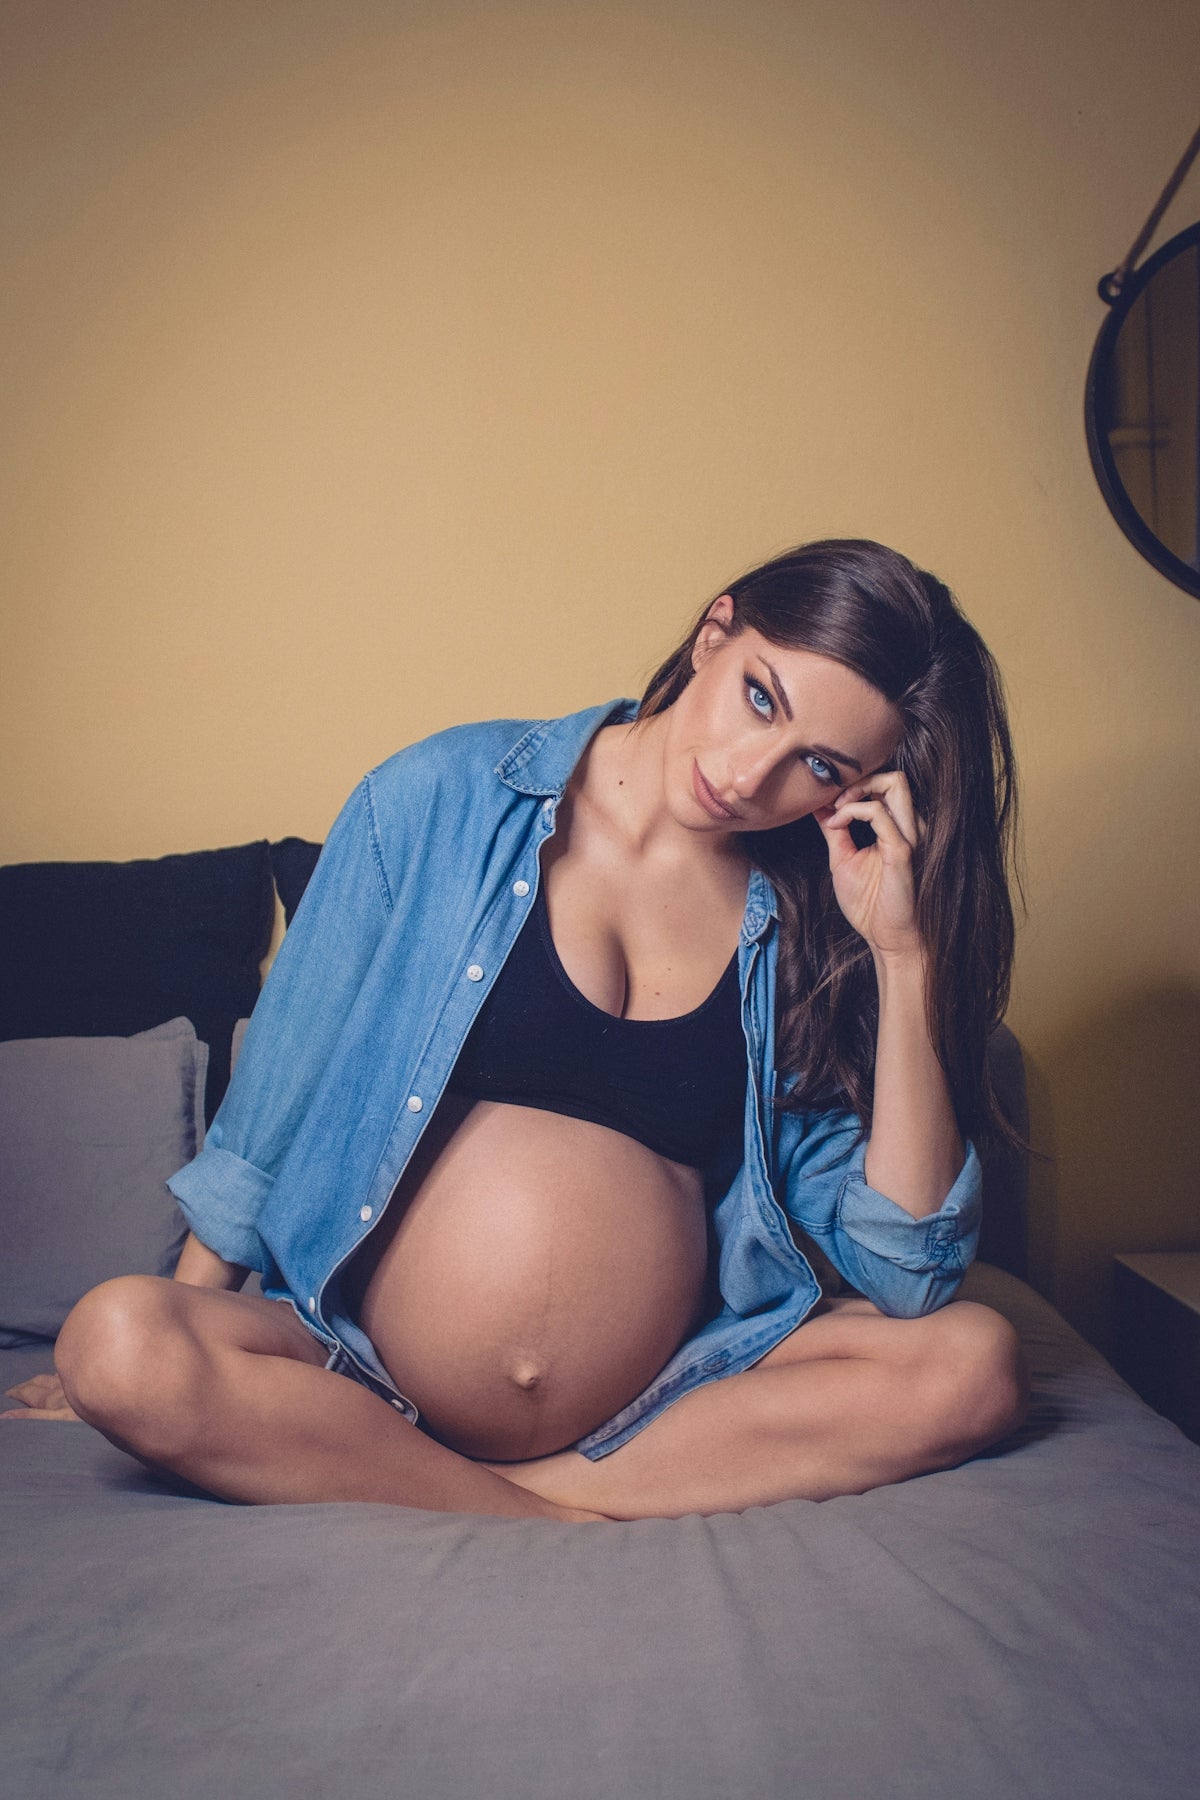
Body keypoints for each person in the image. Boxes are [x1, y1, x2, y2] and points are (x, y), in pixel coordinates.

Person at [7, 538, 1029, 1522]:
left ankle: (510, 1501)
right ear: (717, 631)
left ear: (856, 791)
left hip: (662, 1403)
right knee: (115, 1341)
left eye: (817, 763)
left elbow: (906, 1280)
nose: (752, 773)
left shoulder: (816, 924)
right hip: (358, 1369)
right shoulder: (445, 796)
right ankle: (520, 1498)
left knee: (972, 1365)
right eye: (761, 697)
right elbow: (264, 1123)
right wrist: (186, 1332)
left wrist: (905, 956)